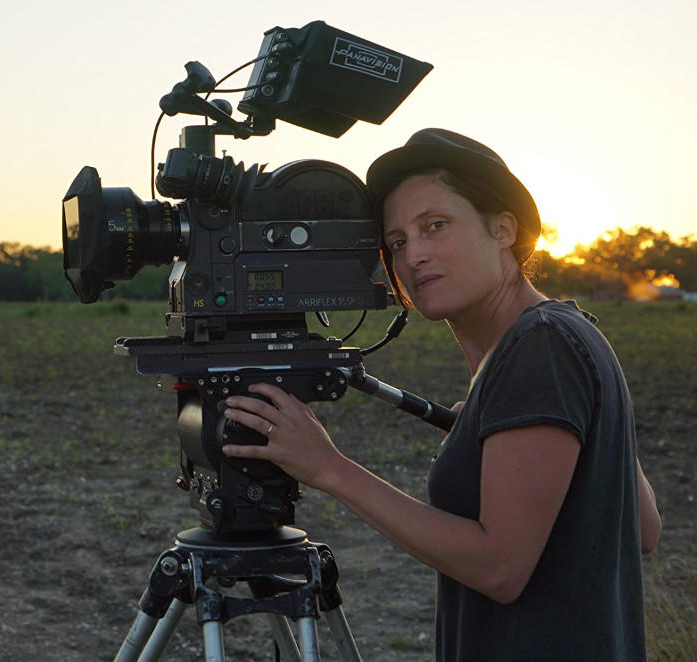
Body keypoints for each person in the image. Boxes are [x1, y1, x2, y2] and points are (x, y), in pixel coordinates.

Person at [221, 128, 662, 661]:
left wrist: (327, 467)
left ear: (503, 229)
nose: (414, 256)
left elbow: (499, 568)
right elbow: (641, 526)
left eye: (436, 226)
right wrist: (492, 425)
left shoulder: (541, 347)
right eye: (399, 242)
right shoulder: (562, 333)